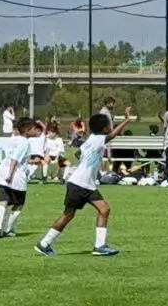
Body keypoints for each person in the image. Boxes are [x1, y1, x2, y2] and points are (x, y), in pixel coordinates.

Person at [34, 105, 133, 258]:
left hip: (86, 184)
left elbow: (78, 152)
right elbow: (113, 135)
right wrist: (126, 120)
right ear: (104, 128)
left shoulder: (91, 139)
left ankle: (100, 246)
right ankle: (44, 244)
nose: (110, 127)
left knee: (104, 209)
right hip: (80, 184)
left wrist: (88, 163)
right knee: (68, 215)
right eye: (108, 125)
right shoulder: (99, 139)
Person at [0, 116, 42, 238]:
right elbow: (15, 158)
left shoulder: (12, 139)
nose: (36, 131)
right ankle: (8, 229)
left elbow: (11, 156)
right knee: (19, 203)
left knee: (2, 201)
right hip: (15, 176)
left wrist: (30, 161)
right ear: (27, 130)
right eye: (34, 128)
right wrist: (10, 174)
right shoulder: (25, 142)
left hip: (1, 173)